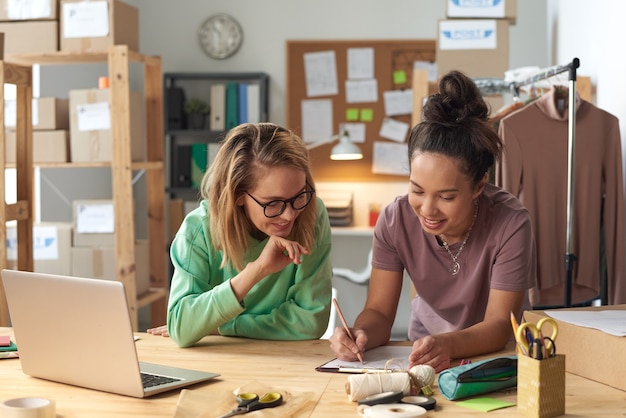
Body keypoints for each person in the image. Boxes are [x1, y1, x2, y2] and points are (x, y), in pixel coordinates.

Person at [329, 71, 536, 372]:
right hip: (424, 358)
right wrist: (360, 335)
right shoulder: (395, 220)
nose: (427, 209)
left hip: (493, 362)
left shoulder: (511, 224)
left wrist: (447, 344)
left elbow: (498, 326)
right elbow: (378, 313)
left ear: (479, 186)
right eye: (417, 190)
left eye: (446, 197)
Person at [148, 122, 333, 347]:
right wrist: (256, 270)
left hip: (288, 359)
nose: (290, 214)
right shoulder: (199, 230)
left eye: (299, 196)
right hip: (219, 362)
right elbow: (182, 328)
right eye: (273, 203)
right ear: (237, 195)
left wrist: (220, 326)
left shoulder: (312, 214)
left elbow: (310, 322)